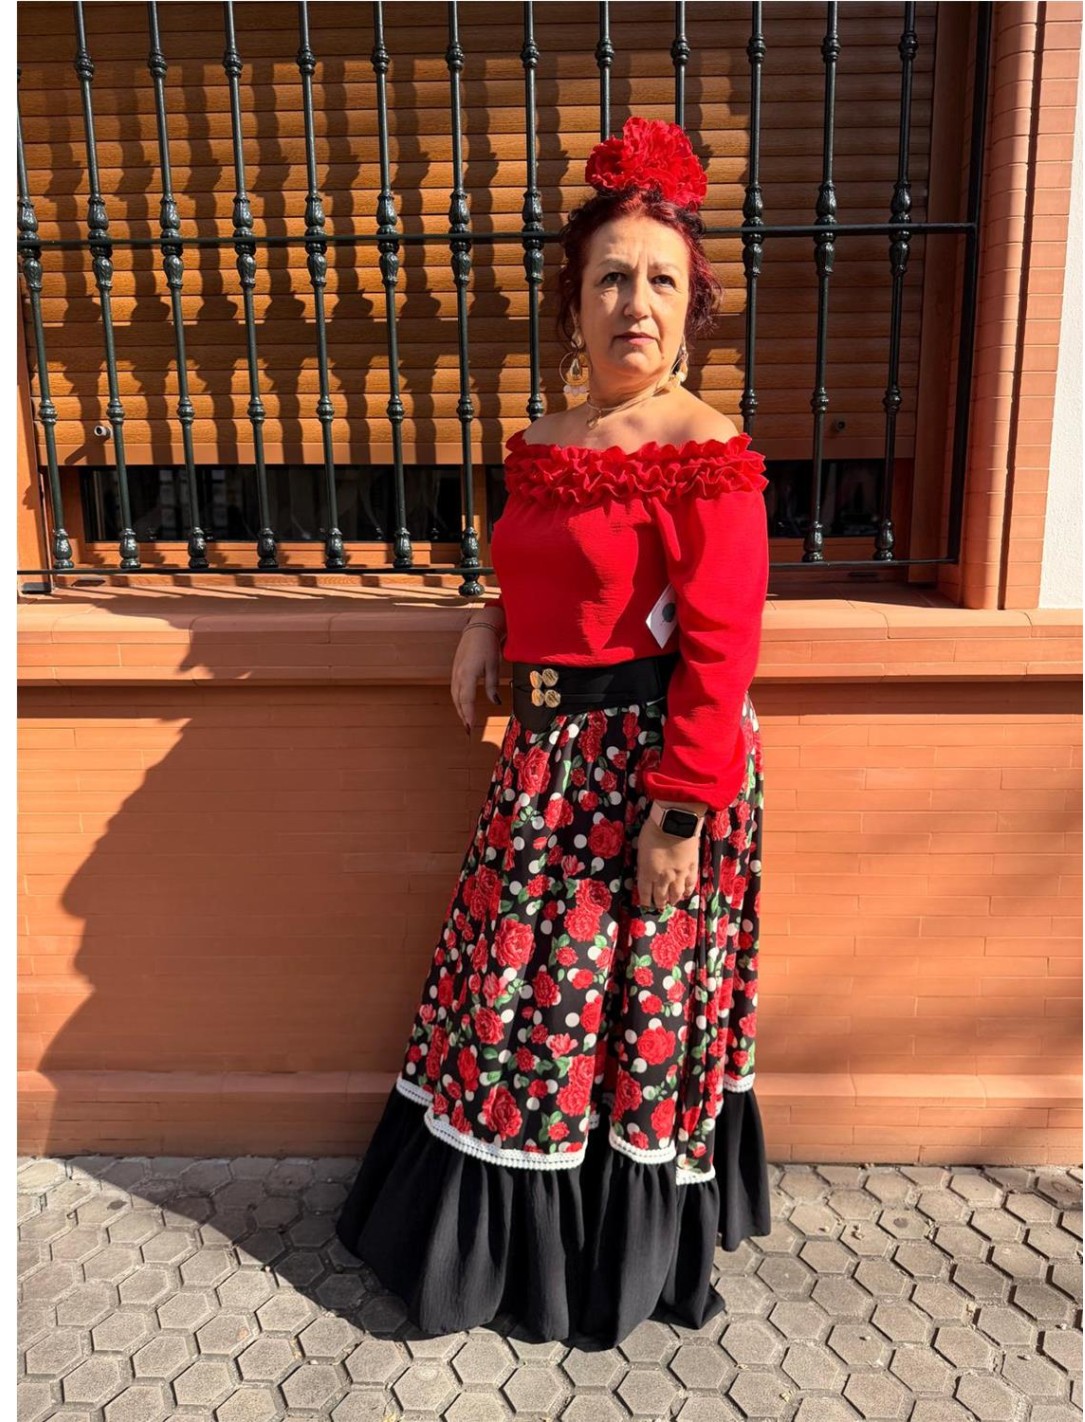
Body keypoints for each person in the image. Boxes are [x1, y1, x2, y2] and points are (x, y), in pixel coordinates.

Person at [336, 116, 772, 1347]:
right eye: (612, 279)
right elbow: (540, 572)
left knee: (609, 1007)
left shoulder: (704, 453)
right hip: (540, 769)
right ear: (573, 303)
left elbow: (721, 651)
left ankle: (592, 1258)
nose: (637, 304)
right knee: (513, 1003)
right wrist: (485, 621)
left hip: (647, 772)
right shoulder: (542, 443)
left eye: (662, 283)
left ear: (691, 308)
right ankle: (492, 1240)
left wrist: (678, 814)